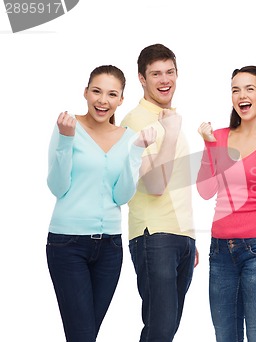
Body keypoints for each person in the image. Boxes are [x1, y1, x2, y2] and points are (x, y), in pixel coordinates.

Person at [46, 65, 155, 342]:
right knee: (82, 335)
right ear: (86, 92)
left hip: (109, 248)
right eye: (96, 91)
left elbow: (121, 197)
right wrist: (65, 141)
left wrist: (137, 152)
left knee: (86, 335)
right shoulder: (68, 126)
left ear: (121, 100)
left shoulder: (129, 138)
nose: (102, 100)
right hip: (67, 244)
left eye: (111, 94)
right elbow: (57, 187)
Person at [196, 65, 256, 342]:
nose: (241, 95)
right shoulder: (222, 137)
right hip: (220, 250)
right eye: (235, 90)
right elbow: (205, 190)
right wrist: (209, 146)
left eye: (249, 88)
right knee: (225, 336)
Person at [120, 43, 198, 342]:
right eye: (156, 74)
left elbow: (177, 181)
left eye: (170, 72)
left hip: (179, 237)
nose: (165, 80)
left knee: (165, 329)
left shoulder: (169, 118)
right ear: (142, 78)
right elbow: (154, 185)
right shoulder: (136, 122)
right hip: (154, 236)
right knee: (160, 329)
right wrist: (173, 133)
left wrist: (188, 237)